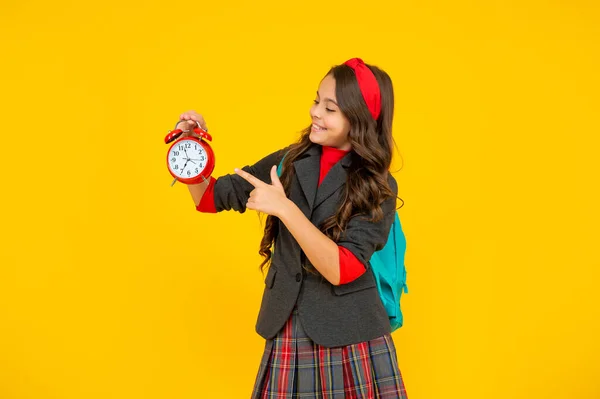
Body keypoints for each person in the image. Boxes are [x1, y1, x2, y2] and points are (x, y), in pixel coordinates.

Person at [174, 58, 408, 398]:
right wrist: (192, 149)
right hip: (286, 326)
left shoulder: (378, 185)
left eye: (330, 108)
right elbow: (208, 198)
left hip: (352, 335)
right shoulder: (290, 161)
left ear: (358, 120)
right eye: (317, 101)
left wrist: (285, 208)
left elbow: (342, 268)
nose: (315, 112)